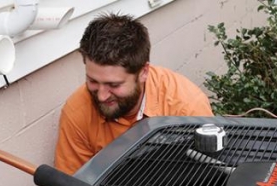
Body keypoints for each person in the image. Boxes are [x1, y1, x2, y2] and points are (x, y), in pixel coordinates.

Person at [54, 12, 214, 174]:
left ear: (143, 72)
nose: (102, 96)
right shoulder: (77, 111)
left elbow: (208, 177)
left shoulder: (187, 108)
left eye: (114, 85)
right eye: (93, 81)